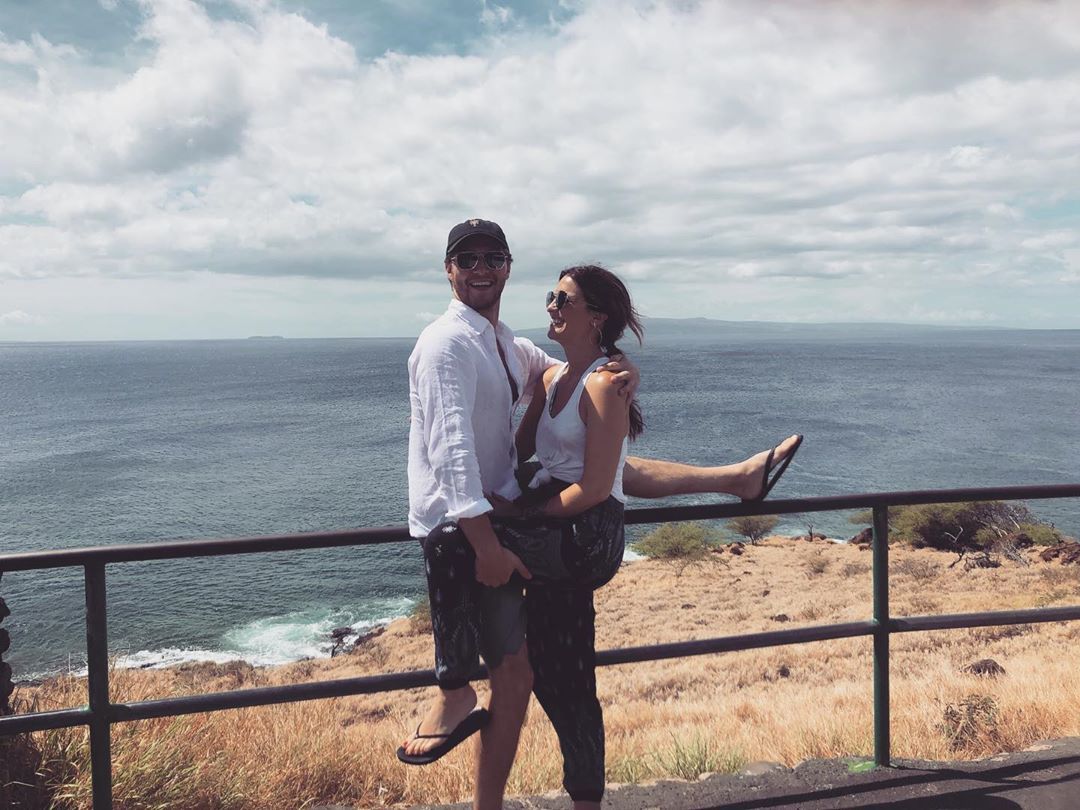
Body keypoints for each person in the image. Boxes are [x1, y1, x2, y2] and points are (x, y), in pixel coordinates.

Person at [399, 219, 802, 809]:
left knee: (451, 546)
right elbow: (465, 446)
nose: (481, 268)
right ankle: (740, 478)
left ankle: (454, 690)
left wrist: (512, 520)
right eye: (467, 259)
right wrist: (610, 367)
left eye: (493, 258)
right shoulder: (465, 348)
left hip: (572, 535)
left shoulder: (510, 347)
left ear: (507, 267)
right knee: (561, 676)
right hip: (544, 526)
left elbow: (592, 474)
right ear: (448, 269)